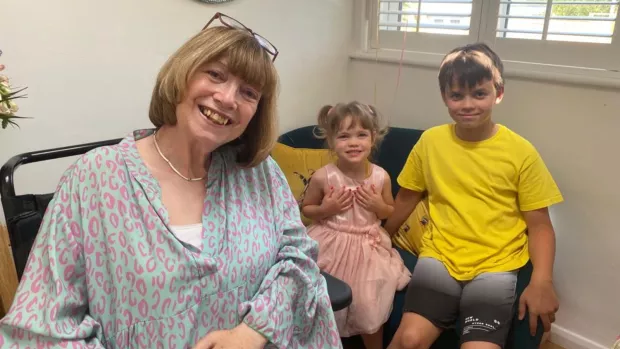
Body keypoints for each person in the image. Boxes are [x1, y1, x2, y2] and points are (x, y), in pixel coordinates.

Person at [0, 12, 342, 349]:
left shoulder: (260, 174)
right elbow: (43, 325)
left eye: (249, 93)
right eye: (216, 74)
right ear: (183, 74)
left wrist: (254, 330)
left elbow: (298, 259)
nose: (227, 99)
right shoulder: (94, 179)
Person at [384, 43, 563, 349]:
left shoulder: (521, 152)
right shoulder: (431, 142)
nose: (468, 104)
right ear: (445, 97)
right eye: (457, 95)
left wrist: (542, 280)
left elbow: (540, 224)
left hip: (496, 265)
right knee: (409, 339)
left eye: (479, 94)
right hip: (439, 257)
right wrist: (379, 236)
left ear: (498, 93)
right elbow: (406, 199)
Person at [301, 102, 412, 349]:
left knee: (369, 302)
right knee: (319, 294)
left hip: (367, 245)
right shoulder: (323, 176)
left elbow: (389, 210)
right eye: (344, 136)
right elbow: (307, 210)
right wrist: (325, 210)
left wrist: (376, 205)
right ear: (331, 141)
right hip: (330, 240)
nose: (353, 142)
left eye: (361, 135)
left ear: (373, 138)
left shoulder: (380, 176)